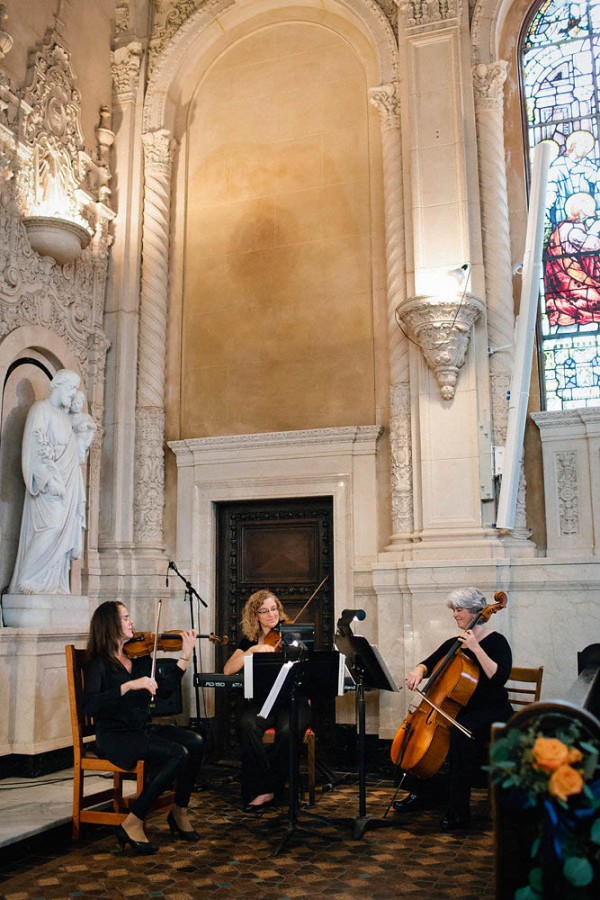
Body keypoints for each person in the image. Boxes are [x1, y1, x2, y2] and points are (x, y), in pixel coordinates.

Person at [82, 601, 204, 853]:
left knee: (195, 741)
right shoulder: (99, 663)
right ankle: (133, 821)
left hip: (140, 728)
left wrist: (184, 655)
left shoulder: (137, 656)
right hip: (115, 735)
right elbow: (91, 706)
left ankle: (179, 810)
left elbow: (165, 690)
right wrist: (127, 686)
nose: (131, 622)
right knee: (177, 753)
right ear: (110, 624)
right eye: (125, 618)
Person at [393, 587, 513, 830]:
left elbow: (499, 677)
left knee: (460, 736)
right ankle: (423, 792)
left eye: (459, 610)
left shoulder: (496, 642)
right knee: (410, 737)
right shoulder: (454, 643)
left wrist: (476, 648)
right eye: (454, 610)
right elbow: (428, 663)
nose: (455, 615)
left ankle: (460, 809)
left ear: (475, 612)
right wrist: (418, 670)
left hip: (491, 710)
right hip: (461, 710)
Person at [223, 589, 311, 812]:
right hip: (263, 701)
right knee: (246, 725)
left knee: (288, 729)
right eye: (264, 611)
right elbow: (228, 670)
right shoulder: (250, 640)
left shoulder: (292, 633)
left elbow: (308, 663)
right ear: (255, 616)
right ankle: (262, 789)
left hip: (292, 700)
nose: (272, 615)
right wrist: (252, 650)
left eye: (274, 609)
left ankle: (276, 786)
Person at [9, 369, 86, 594]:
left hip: (69, 486)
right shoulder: (40, 409)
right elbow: (36, 446)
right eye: (71, 388)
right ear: (58, 384)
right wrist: (48, 479)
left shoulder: (64, 418)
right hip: (50, 485)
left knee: (62, 535)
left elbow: (71, 455)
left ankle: (53, 583)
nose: (73, 394)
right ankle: (27, 577)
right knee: (50, 528)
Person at [544, 191, 600, 326]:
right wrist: (594, 230)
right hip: (571, 278)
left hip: (577, 275)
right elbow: (591, 245)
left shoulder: (565, 226)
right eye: (586, 215)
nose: (586, 218)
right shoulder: (572, 230)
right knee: (596, 301)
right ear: (579, 212)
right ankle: (557, 304)